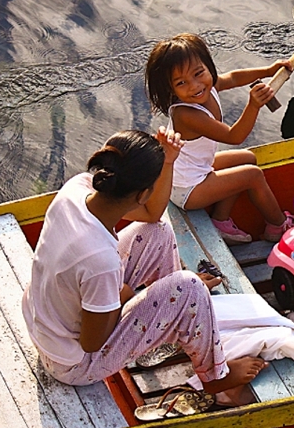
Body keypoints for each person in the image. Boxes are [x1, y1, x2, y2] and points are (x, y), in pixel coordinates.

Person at [22, 128, 267, 400]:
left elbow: (153, 215)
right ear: (142, 194)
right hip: (74, 363)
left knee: (158, 232)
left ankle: (178, 317)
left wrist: (169, 159)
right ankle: (214, 376)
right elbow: (92, 343)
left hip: (50, 318)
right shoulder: (99, 260)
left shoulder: (78, 187)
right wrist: (124, 294)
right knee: (190, 286)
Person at [144, 33, 294, 244]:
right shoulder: (186, 114)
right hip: (186, 188)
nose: (195, 85)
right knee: (252, 175)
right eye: (181, 83)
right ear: (170, 89)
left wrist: (268, 70)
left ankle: (221, 221)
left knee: (248, 159)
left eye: (199, 73)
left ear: (208, 67)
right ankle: (278, 226)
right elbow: (234, 136)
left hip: (198, 168)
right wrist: (253, 106)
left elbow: (235, 78)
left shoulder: (208, 87)